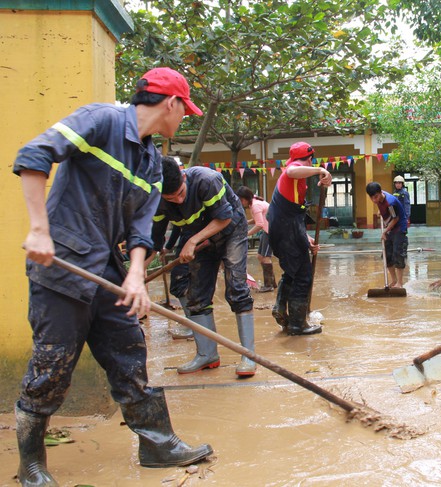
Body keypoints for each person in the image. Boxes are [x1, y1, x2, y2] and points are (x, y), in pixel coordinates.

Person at [13, 67, 212, 486]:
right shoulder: (100, 120)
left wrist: (136, 275)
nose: (183, 119)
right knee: (52, 366)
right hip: (61, 267)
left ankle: (158, 443)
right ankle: (31, 463)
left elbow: (142, 227)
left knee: (129, 354)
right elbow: (34, 155)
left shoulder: (152, 162)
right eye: (184, 111)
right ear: (171, 103)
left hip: (108, 270)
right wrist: (37, 228)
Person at [152, 157, 256, 377]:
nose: (179, 201)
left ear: (184, 176)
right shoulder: (158, 201)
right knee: (196, 295)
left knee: (237, 289)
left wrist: (191, 241)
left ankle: (248, 356)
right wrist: (134, 274)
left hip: (231, 230)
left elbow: (224, 219)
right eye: (171, 198)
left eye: (181, 193)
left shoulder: (207, 180)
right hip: (198, 234)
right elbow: (153, 242)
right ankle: (207, 355)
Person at [267, 142, 332, 336]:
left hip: (286, 230)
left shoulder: (297, 184)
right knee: (303, 275)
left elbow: (295, 216)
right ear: (309, 159)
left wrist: (305, 237)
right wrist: (320, 169)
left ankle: (280, 308)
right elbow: (291, 171)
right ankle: (297, 324)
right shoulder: (292, 171)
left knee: (292, 271)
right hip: (286, 231)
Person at [366, 182, 409, 288]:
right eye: (372, 198)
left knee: (398, 254)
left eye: (376, 197)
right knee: (387, 255)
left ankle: (399, 283)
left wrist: (385, 231)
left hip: (399, 228)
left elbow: (396, 219)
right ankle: (394, 280)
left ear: (380, 193)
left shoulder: (390, 202)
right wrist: (380, 211)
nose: (374, 200)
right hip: (390, 228)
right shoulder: (379, 198)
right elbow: (381, 205)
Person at [237, 186, 277, 292]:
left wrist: (247, 234)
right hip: (267, 229)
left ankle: (268, 286)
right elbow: (257, 220)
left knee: (265, 257)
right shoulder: (254, 202)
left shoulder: (255, 205)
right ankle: (272, 283)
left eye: (240, 200)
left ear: (245, 199)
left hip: (272, 231)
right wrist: (246, 222)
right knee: (260, 256)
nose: (240, 203)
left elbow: (259, 224)